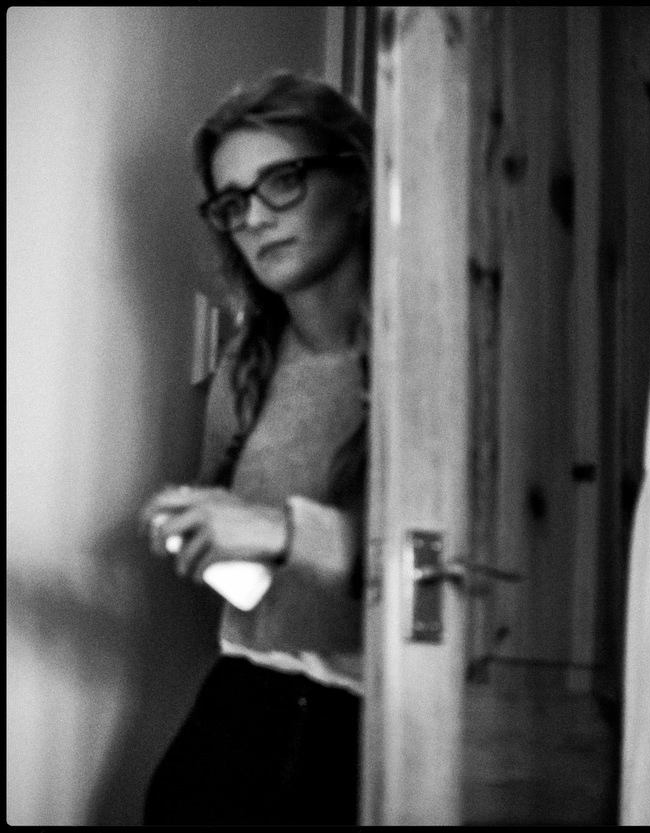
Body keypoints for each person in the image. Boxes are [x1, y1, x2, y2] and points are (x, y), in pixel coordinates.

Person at [139, 70, 372, 825]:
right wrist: (201, 533)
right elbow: (248, 579)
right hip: (241, 703)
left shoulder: (432, 355)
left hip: (369, 728)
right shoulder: (246, 368)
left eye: (284, 181)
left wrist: (281, 531)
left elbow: (449, 562)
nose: (257, 219)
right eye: (234, 202)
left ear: (358, 181)